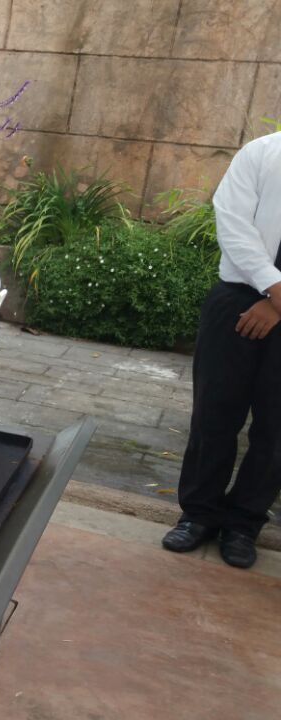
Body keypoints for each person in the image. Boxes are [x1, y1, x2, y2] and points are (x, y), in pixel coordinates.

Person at [161, 130, 281, 569]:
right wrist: (274, 288)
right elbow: (232, 222)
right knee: (215, 412)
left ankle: (244, 524)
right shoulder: (262, 153)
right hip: (238, 297)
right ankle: (198, 514)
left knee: (276, 429)